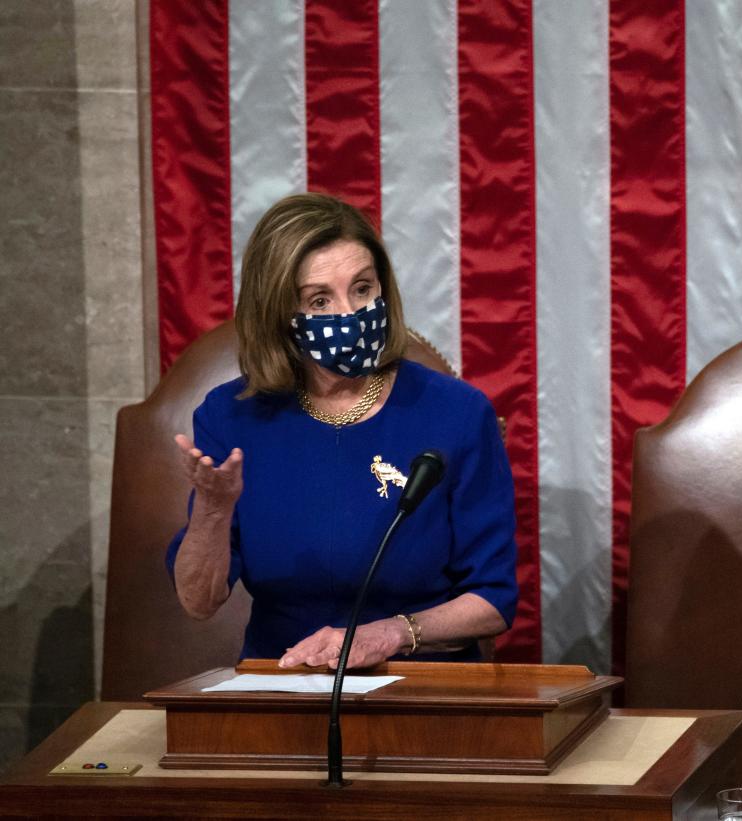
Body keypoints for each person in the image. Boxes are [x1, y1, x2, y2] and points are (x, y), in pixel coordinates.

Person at [166, 192, 517, 669]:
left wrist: (393, 633)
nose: (350, 314)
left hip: (424, 690)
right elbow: (198, 602)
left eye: (362, 289)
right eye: (319, 300)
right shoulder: (231, 416)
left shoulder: (456, 412)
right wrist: (213, 509)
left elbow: (493, 601)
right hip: (285, 686)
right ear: (278, 315)